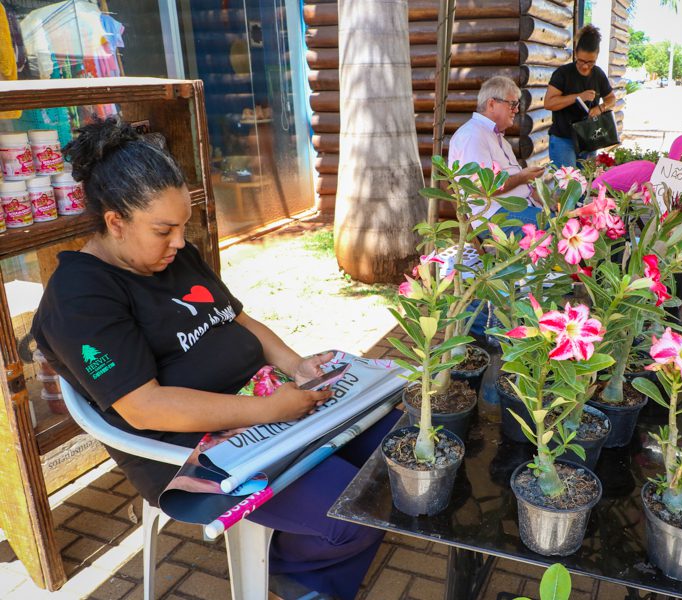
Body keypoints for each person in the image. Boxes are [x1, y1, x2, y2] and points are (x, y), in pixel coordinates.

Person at [31, 118, 398, 600]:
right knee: (355, 513)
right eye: (164, 230)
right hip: (194, 452)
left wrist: (295, 366)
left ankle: (305, 560)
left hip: (265, 408)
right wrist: (268, 412)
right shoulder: (82, 296)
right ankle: (296, 576)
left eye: (182, 226)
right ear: (115, 222)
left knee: (400, 448)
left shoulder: (174, 257)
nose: (179, 243)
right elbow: (144, 408)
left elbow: (237, 320)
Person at [448, 75, 545, 228]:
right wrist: (522, 177)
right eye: (512, 104)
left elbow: (512, 182)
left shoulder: (495, 137)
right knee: (557, 229)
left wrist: (544, 199)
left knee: (563, 221)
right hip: (493, 217)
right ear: (491, 104)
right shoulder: (473, 135)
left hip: (511, 211)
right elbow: (481, 187)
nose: (517, 110)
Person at [545, 24, 617, 168]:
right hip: (563, 140)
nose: (585, 66)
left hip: (589, 138)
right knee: (568, 187)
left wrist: (600, 108)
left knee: (586, 185)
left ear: (597, 55)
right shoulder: (563, 73)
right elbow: (549, 103)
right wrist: (579, 97)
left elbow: (611, 99)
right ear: (576, 53)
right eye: (582, 61)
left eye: (591, 62)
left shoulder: (598, 74)